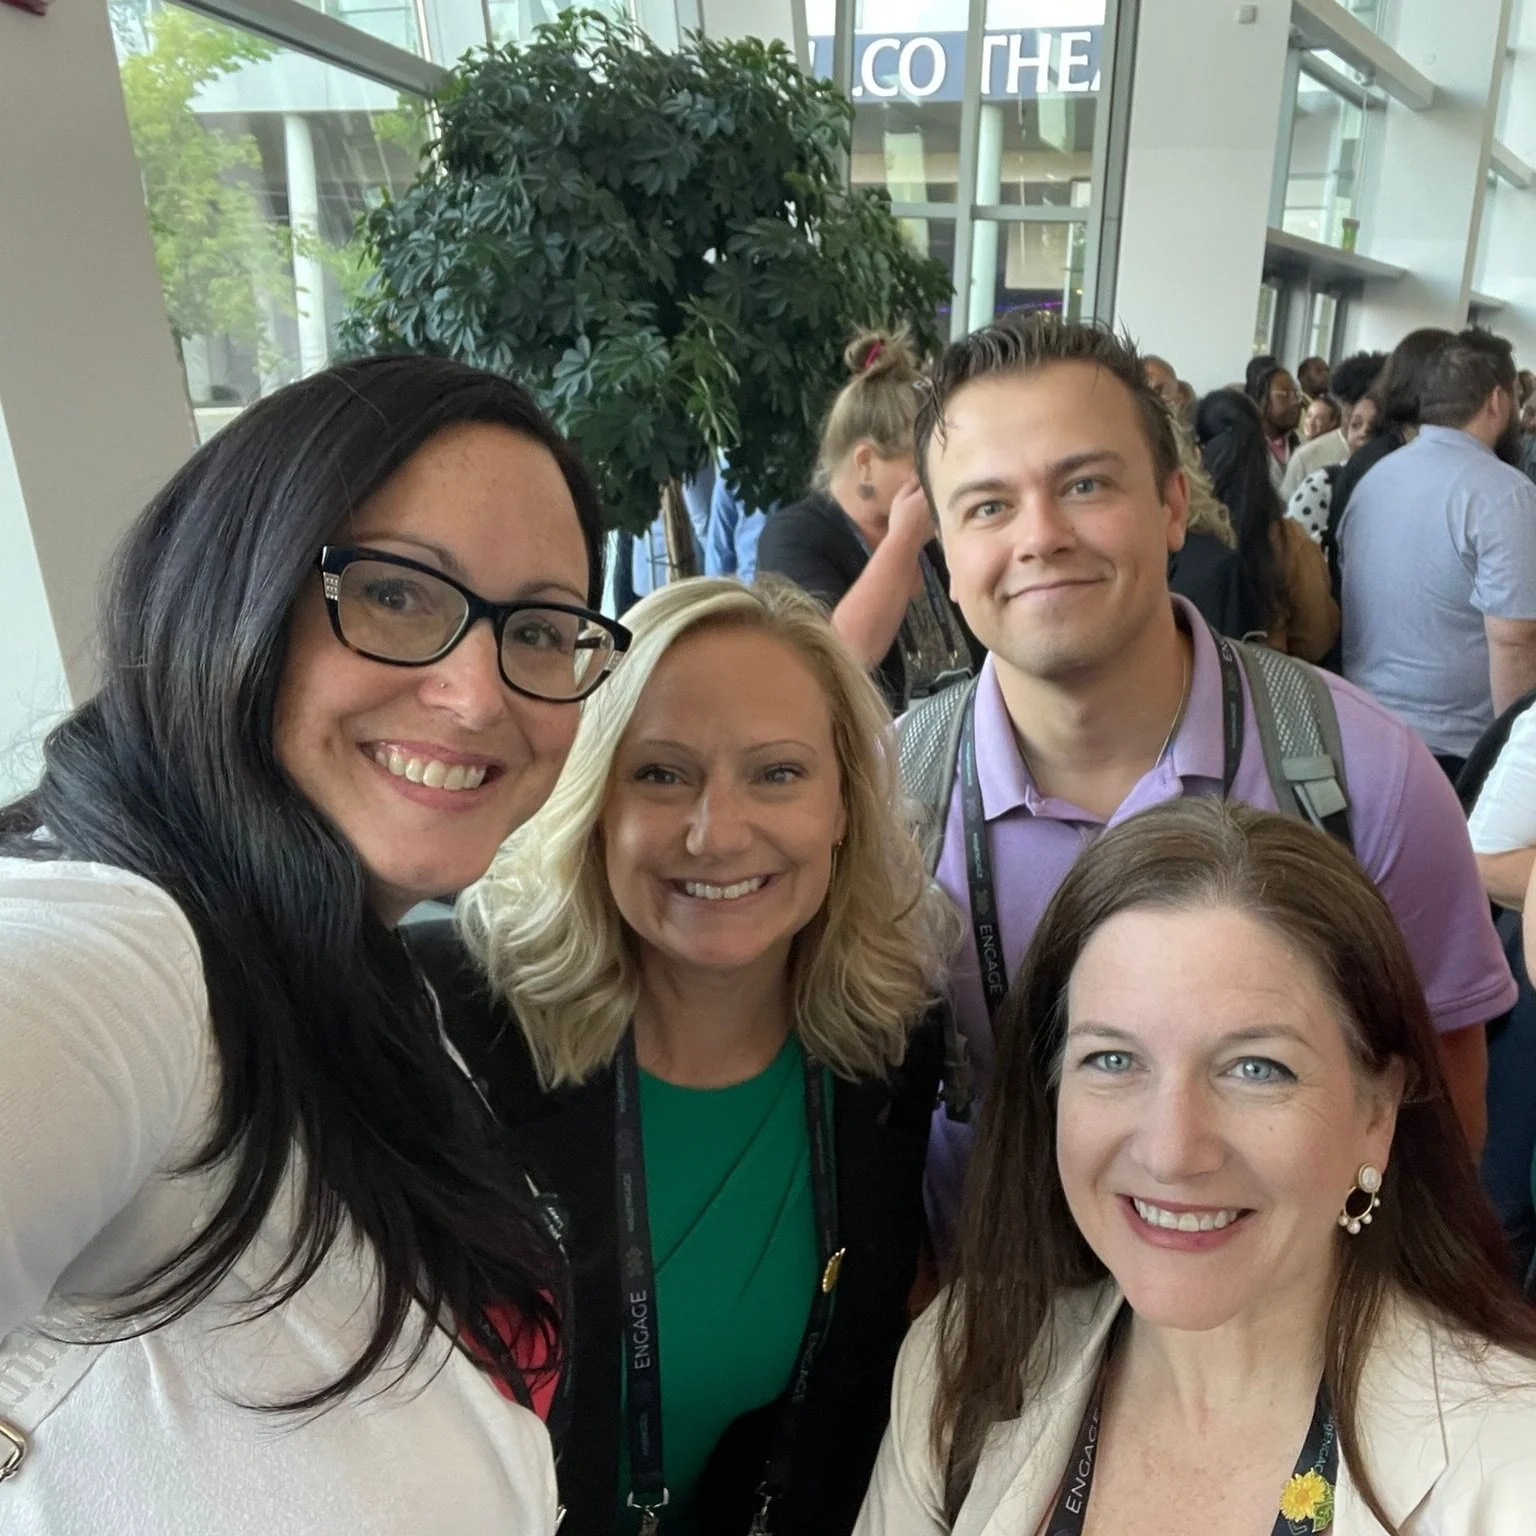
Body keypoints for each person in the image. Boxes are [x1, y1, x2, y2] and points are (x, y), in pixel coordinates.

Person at [0, 357, 631, 1533]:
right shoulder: (120, 956)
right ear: (230, 588)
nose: (478, 694)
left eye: (541, 629)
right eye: (397, 595)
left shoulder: (364, 973)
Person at [906, 313, 1510, 1249]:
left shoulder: (1361, 775)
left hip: (1287, 1337)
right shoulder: (882, 796)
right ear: (946, 563)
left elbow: (1443, 1105)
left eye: (1086, 483)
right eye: (988, 506)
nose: (1042, 536)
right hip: (989, 1341)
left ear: (1174, 506)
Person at [415, 578, 954, 1536]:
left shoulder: (881, 1057)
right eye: (661, 774)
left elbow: (839, 1410)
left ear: (843, 803)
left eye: (777, 774)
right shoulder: (443, 1027)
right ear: (592, 799)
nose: (718, 833)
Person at [856, 798, 1536, 1535]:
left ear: (1377, 1112)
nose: (1173, 1152)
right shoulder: (962, 1368)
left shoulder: (1510, 1464)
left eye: (1256, 1068)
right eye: (1112, 1059)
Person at [1340, 328, 1536, 782]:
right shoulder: (1504, 494)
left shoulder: (1376, 476)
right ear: (1497, 402)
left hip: (1361, 728)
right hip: (1456, 754)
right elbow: (1515, 640)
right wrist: (1517, 763)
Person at [757, 331, 973, 713]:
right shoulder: (795, 536)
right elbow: (842, 656)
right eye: (920, 464)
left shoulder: (934, 533)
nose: (937, 478)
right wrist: (903, 540)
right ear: (866, 463)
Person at [1194, 389, 1337, 660]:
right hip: (1263, 685)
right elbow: (1316, 637)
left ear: (1197, 451)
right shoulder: (1287, 540)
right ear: (1262, 450)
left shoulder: (1175, 528)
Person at [1281, 350, 1385, 500]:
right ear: (1341, 406)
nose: (1363, 429)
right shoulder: (1306, 458)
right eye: (1355, 420)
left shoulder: (1396, 457)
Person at [1244, 357, 1303, 491]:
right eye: (1285, 395)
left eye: (1296, 395)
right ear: (1261, 400)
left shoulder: (1302, 444)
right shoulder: (1245, 447)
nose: (1295, 402)